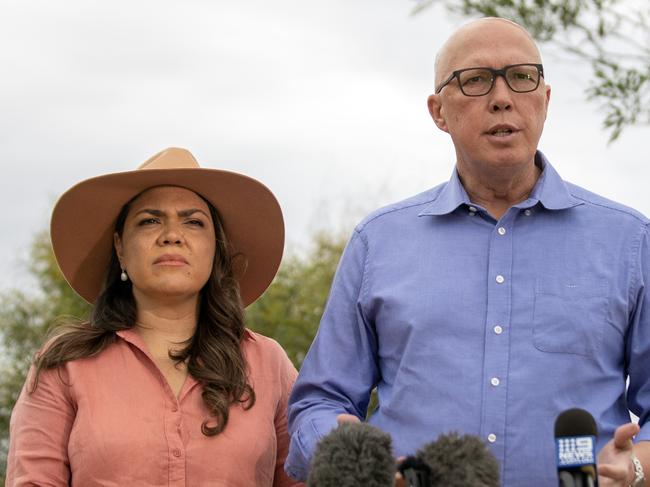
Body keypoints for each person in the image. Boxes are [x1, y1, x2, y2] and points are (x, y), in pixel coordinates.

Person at [285, 18, 649, 487]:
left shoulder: (629, 240)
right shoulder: (378, 242)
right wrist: (346, 455)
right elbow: (319, 402)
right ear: (438, 111)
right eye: (475, 80)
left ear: (545, 99)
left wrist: (637, 465)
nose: (502, 97)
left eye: (522, 77)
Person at [6, 147, 303, 487]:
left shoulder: (269, 364)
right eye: (150, 221)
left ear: (215, 248)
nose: (172, 235)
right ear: (120, 248)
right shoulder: (63, 365)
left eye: (193, 222)